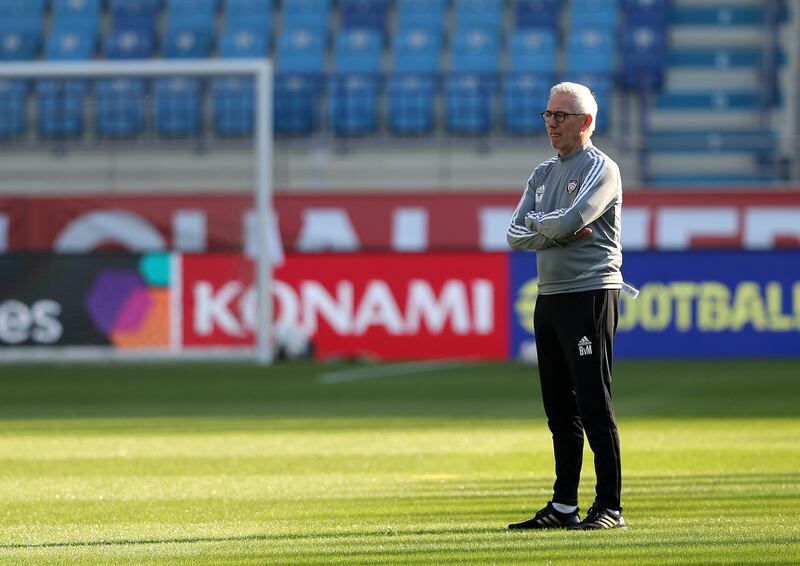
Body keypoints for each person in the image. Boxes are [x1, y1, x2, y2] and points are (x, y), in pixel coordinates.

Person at [505, 82, 626, 530]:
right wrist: (552, 228)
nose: (552, 123)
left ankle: (610, 506)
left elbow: (576, 218)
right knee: (559, 409)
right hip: (550, 297)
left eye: (562, 116)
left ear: (586, 122)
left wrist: (551, 227)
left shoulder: (601, 168)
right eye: (548, 115)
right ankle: (563, 506)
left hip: (589, 293)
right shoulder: (541, 173)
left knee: (594, 402)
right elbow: (515, 233)